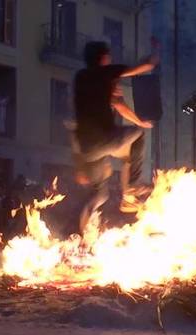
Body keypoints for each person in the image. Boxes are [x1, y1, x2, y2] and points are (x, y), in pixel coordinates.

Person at [72, 39, 159, 232]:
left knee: (100, 194)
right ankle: (131, 187)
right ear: (103, 58)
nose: (110, 60)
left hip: (87, 149)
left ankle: (84, 233)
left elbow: (118, 105)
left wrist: (79, 166)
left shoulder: (80, 77)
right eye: (108, 57)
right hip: (105, 139)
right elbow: (141, 68)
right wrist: (152, 60)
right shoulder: (106, 72)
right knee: (138, 134)